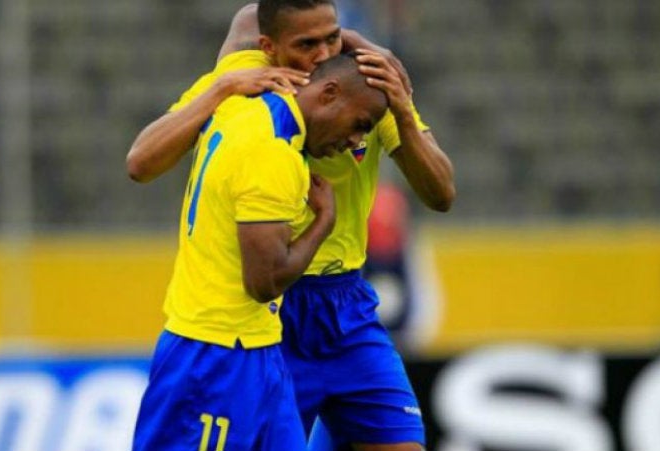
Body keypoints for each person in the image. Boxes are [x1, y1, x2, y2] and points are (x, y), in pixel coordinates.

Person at [126, 1, 455, 449]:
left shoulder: (366, 84)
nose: (322, 55)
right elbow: (142, 162)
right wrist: (222, 88)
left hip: (344, 305)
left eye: (332, 38)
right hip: (271, 311)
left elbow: (441, 193)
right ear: (270, 47)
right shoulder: (248, 83)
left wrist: (400, 108)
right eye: (306, 44)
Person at [131, 53, 389, 451]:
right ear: (329, 92)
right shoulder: (272, 149)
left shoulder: (240, 103)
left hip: (260, 346)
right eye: (359, 125)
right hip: (212, 352)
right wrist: (324, 220)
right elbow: (264, 281)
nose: (357, 141)